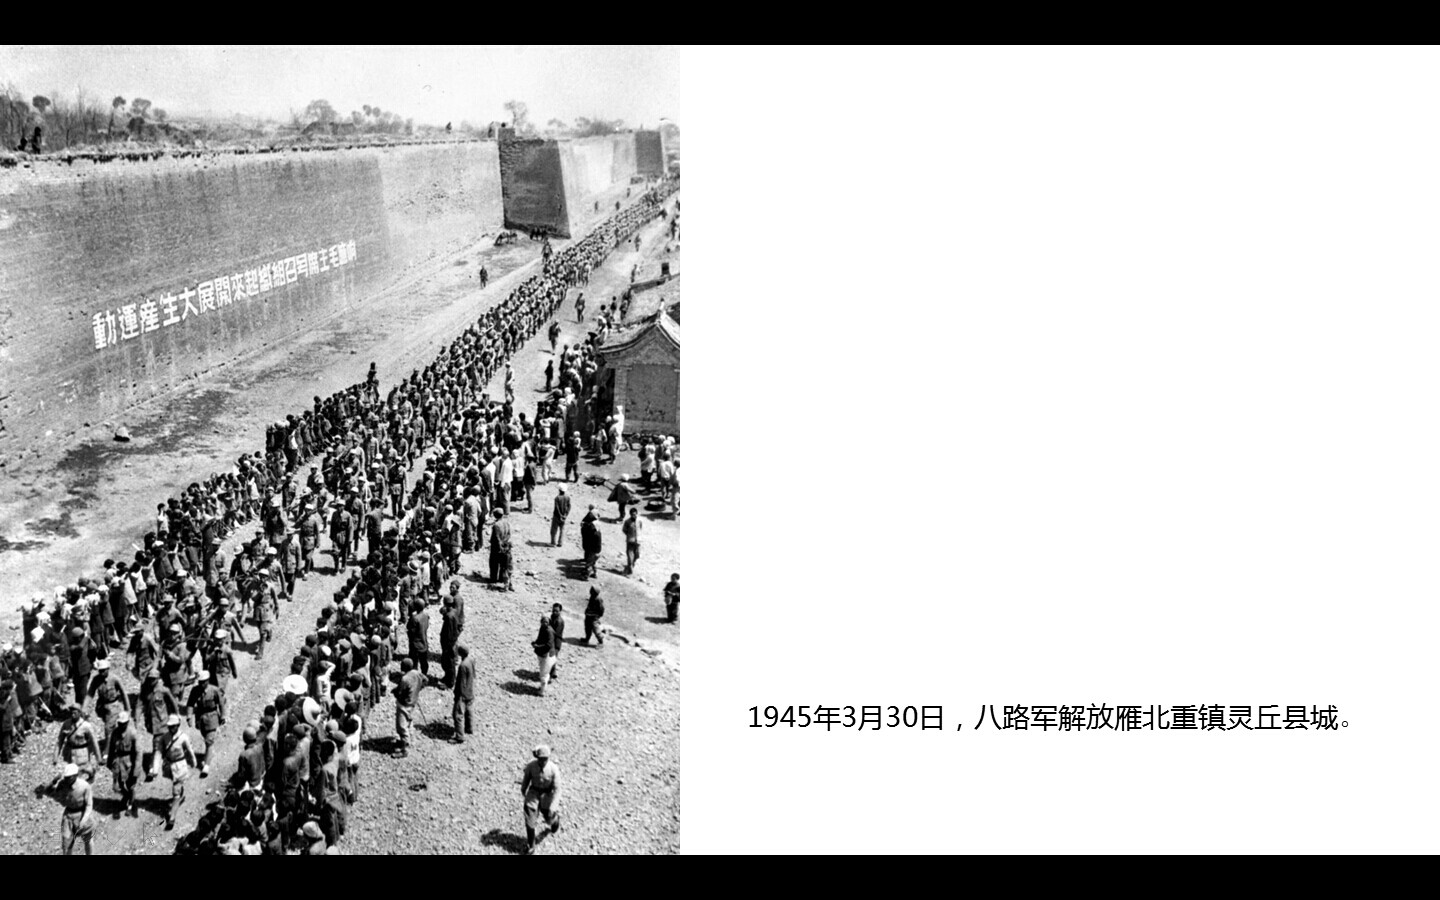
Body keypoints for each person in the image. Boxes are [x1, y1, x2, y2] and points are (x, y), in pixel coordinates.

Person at [521, 745, 561, 854]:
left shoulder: (553, 769)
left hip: (547, 796)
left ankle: (555, 820)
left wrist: (553, 806)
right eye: (540, 759)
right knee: (530, 821)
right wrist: (524, 790)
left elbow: (557, 790)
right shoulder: (531, 766)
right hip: (533, 795)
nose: (542, 761)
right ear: (537, 758)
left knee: (549, 817)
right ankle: (531, 846)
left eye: (545, 759)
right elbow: (526, 779)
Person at [162, 713, 198, 829]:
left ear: (177, 726)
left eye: (173, 726)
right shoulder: (165, 737)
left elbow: (190, 750)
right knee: (176, 785)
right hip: (170, 765)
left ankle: (172, 817)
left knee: (175, 791)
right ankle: (179, 795)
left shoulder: (183, 737)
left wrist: (193, 761)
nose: (171, 728)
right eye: (169, 726)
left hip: (180, 765)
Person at [55, 762, 95, 855]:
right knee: (66, 844)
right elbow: (53, 792)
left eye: (69, 777)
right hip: (68, 816)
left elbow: (89, 805)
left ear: (75, 776)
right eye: (66, 777)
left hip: (82, 814)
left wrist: (84, 819)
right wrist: (54, 781)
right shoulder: (62, 784)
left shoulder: (84, 786)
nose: (67, 780)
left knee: (88, 840)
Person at [106, 709, 140, 817]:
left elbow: (138, 752)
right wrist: (109, 762)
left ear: (127, 722)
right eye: (120, 723)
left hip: (128, 761)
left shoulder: (132, 733)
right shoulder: (115, 733)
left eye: (124, 723)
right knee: (118, 785)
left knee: (130, 785)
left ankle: (131, 804)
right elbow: (111, 748)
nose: (121, 725)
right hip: (118, 761)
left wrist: (136, 769)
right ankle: (126, 797)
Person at [393, 658, 424, 758]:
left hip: (404, 704)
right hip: (413, 701)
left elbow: (399, 692)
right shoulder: (417, 673)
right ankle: (410, 740)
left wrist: (395, 692)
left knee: (402, 726)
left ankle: (404, 749)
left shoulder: (405, 679)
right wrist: (417, 689)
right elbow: (425, 680)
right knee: (409, 722)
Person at [451, 644, 475, 743]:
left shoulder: (462, 666)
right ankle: (469, 728)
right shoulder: (471, 660)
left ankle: (460, 737)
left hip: (462, 694)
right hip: (470, 691)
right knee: (469, 710)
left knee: (458, 715)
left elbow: (460, 682)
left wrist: (457, 694)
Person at [532, 615, 558, 697]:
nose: (545, 623)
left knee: (543, 675)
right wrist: (535, 643)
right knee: (544, 672)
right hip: (543, 654)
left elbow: (548, 645)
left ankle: (542, 692)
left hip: (548, 656)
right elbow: (539, 638)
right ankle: (544, 686)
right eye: (543, 622)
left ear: (549, 623)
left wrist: (538, 646)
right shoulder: (542, 628)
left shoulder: (549, 631)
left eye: (546, 622)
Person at [489, 508, 514, 591]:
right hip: (505, 545)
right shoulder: (507, 523)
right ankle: (501, 579)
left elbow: (496, 538)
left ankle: (493, 579)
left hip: (497, 547)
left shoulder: (496, 525)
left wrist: (499, 546)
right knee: (504, 564)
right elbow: (509, 534)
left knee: (494, 563)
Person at [581, 507, 602, 580]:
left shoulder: (593, 534)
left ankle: (586, 576)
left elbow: (588, 539)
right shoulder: (598, 533)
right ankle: (595, 574)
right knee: (593, 563)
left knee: (589, 564)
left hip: (593, 551)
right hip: (598, 551)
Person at [623, 507, 643, 576]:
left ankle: (631, 564)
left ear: (637, 514)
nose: (634, 516)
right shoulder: (627, 521)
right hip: (630, 541)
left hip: (638, 541)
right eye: (632, 514)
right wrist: (629, 536)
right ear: (630, 515)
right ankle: (629, 571)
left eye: (635, 514)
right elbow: (624, 530)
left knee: (637, 555)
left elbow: (640, 528)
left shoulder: (639, 520)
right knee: (630, 556)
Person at [548, 604, 565, 683]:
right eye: (553, 610)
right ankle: (553, 673)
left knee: (551, 658)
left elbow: (556, 634)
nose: (554, 612)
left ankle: (550, 676)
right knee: (552, 658)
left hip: (555, 642)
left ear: (560, 611)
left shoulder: (559, 621)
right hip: (552, 641)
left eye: (556, 611)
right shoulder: (553, 617)